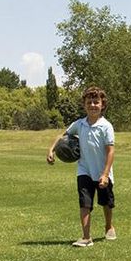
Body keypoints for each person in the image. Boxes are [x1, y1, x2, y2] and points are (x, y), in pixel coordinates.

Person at [47, 86, 115, 247]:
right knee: (85, 202)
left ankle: (108, 225)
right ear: (84, 105)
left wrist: (105, 174)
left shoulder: (106, 126)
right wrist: (51, 150)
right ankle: (86, 237)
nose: (92, 105)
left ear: (102, 105)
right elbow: (62, 136)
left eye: (96, 102)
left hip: (102, 171)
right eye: (89, 102)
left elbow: (110, 151)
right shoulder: (79, 124)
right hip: (84, 170)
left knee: (106, 202)